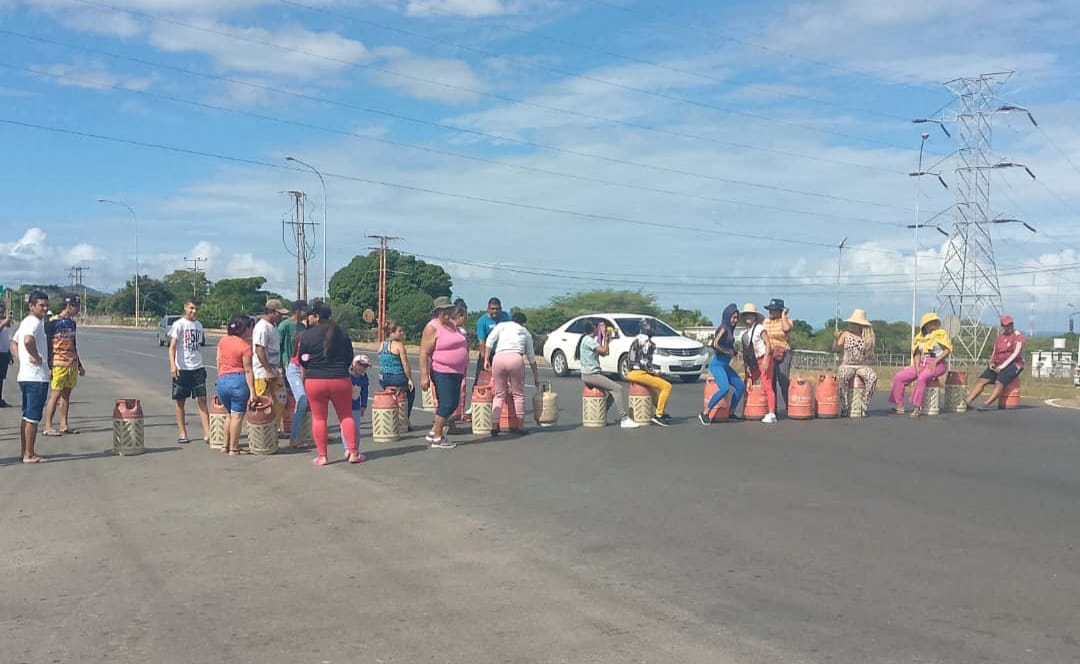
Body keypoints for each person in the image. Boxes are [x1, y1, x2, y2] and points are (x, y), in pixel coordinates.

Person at [298, 302, 363, 466]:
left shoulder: (307, 335)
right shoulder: (341, 333)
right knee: (346, 416)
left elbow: (302, 358)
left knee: (319, 418)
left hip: (315, 380)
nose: (309, 318)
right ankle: (353, 452)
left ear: (317, 316)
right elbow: (349, 356)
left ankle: (322, 456)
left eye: (311, 315)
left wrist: (309, 365)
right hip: (340, 379)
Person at [419, 296, 468, 449]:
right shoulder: (432, 327)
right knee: (446, 403)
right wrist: (424, 376)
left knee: (453, 403)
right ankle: (438, 437)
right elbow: (424, 353)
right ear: (437, 312)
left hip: (457, 371)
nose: (447, 313)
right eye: (443, 310)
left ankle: (434, 431)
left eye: (449, 309)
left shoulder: (453, 325)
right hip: (442, 370)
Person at [483, 311, 540, 436]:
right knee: (518, 394)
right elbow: (531, 357)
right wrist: (536, 376)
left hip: (498, 358)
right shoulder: (525, 332)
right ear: (523, 323)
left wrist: (486, 359)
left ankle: (494, 426)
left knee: (499, 395)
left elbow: (489, 341)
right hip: (515, 358)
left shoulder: (502, 326)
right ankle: (520, 426)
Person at [579, 318, 639, 429]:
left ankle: (601, 413)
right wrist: (605, 338)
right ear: (594, 328)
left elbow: (603, 353)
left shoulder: (588, 339)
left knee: (613, 391)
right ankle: (624, 418)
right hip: (591, 375)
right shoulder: (588, 340)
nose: (601, 328)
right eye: (599, 326)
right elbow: (604, 351)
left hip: (591, 374)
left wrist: (605, 338)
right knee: (617, 389)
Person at [890, 312, 952, 417]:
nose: (933, 324)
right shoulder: (919, 337)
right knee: (899, 377)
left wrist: (935, 361)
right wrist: (917, 367)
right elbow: (917, 353)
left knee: (922, 378)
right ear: (925, 324)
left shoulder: (940, 334)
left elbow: (947, 350)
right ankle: (899, 405)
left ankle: (916, 407)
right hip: (923, 363)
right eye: (930, 322)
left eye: (934, 321)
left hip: (938, 363)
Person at [40, 295, 86, 436]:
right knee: (55, 394)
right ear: (69, 306)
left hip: (71, 363)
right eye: (77, 308)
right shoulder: (53, 323)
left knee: (66, 395)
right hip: (58, 363)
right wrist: (49, 366)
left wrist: (79, 365)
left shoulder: (72, 323)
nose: (78, 311)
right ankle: (48, 426)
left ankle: (63, 425)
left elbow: (74, 344)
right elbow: (47, 346)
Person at [14, 291, 50, 463]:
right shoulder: (33, 323)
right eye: (41, 305)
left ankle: (25, 452)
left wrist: (21, 357)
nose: (45, 308)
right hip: (36, 378)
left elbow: (15, 342)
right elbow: (27, 341)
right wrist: (36, 357)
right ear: (31, 306)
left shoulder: (26, 322)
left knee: (27, 416)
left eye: (46, 305)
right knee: (33, 417)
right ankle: (29, 454)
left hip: (26, 375)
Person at [167, 298, 209, 444]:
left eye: (196, 308)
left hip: (198, 367)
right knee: (180, 402)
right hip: (182, 369)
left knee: (202, 399)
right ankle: (182, 432)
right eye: (191, 308)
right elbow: (172, 347)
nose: (194, 311)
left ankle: (207, 432)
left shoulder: (199, 325)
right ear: (185, 308)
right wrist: (173, 366)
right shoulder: (178, 325)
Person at [215, 315, 257, 456]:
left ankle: (224, 445)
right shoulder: (245, 347)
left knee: (229, 414)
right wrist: (253, 391)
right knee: (237, 416)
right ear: (245, 329)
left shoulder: (223, 341)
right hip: (238, 381)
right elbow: (248, 370)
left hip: (222, 380)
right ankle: (234, 447)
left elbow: (218, 361)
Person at [965, 315, 1025, 411]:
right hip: (998, 363)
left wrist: (1001, 367)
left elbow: (1015, 354)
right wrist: (992, 362)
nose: (1008, 327)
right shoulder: (1000, 336)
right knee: (982, 380)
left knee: (999, 382)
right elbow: (995, 351)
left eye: (1010, 325)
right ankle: (967, 402)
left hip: (1014, 364)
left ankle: (986, 404)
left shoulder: (1018, 336)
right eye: (1006, 325)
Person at [699, 303, 746, 425]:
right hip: (717, 364)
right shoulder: (723, 328)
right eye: (733, 317)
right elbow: (714, 344)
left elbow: (727, 346)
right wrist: (727, 352)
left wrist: (735, 352)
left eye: (736, 318)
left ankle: (731, 412)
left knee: (740, 386)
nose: (735, 320)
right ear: (727, 316)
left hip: (725, 365)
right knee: (724, 388)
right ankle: (705, 413)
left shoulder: (730, 330)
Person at [626, 318, 673, 427]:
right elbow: (644, 362)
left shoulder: (636, 339)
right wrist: (655, 371)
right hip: (639, 373)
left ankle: (663, 413)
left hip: (632, 372)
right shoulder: (647, 342)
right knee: (666, 386)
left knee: (653, 391)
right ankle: (659, 415)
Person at [252, 298, 290, 433]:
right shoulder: (262, 328)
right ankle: (261, 431)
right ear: (272, 312)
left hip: (274, 369)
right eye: (279, 313)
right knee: (263, 403)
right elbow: (259, 350)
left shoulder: (273, 327)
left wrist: (277, 367)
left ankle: (274, 428)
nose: (281, 316)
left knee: (280, 400)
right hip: (262, 372)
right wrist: (268, 370)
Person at [833, 309, 877, 415]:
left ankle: (864, 404)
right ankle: (845, 405)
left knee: (872, 377)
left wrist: (869, 354)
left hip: (861, 365)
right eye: (852, 323)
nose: (852, 326)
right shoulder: (845, 334)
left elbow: (870, 356)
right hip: (847, 364)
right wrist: (836, 338)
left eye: (855, 324)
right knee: (842, 376)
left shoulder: (867, 337)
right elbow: (835, 349)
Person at [284, 303, 316, 448]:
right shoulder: (304, 335)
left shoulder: (308, 333)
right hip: (297, 370)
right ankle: (294, 437)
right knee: (302, 400)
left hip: (305, 370)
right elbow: (302, 360)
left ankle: (309, 433)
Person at [740, 303, 777, 424]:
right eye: (746, 315)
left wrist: (766, 358)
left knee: (767, 384)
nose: (748, 317)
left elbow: (768, 344)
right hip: (754, 361)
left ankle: (772, 413)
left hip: (763, 358)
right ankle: (750, 408)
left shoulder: (760, 328)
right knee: (749, 381)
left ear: (755, 317)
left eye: (751, 315)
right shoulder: (746, 332)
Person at [763, 298, 793, 416]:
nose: (770, 312)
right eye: (770, 309)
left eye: (773, 310)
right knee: (771, 381)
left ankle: (789, 407)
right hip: (770, 353)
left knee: (783, 380)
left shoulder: (787, 321)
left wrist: (784, 315)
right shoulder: (766, 322)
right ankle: (772, 409)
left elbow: (786, 329)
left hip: (783, 352)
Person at [378, 321, 415, 420]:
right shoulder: (399, 345)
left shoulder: (382, 344)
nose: (402, 333)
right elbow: (405, 364)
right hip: (397, 378)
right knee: (411, 391)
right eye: (400, 331)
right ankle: (405, 419)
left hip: (383, 379)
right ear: (392, 333)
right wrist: (409, 379)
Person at [475, 297, 510, 380]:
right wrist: (485, 359)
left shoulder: (506, 317)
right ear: (488, 309)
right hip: (488, 353)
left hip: (502, 353)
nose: (495, 311)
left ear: (501, 309)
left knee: (501, 379)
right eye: (492, 309)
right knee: (482, 379)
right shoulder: (482, 321)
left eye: (497, 309)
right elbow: (481, 342)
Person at [345, 354, 370, 455]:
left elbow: (365, 392)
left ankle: (355, 449)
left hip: (356, 407)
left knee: (356, 429)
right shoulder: (347, 376)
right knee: (345, 428)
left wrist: (364, 406)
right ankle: (347, 448)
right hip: (344, 407)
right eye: (361, 365)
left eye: (365, 366)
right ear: (354, 364)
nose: (363, 368)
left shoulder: (364, 379)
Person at [0, 304, 15, 408]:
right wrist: (5, 322)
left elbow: (6, 340)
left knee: (1, 379)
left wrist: (10, 354)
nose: (1, 314)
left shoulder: (4, 323)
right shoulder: (3, 323)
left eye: (2, 312)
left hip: (4, 354)